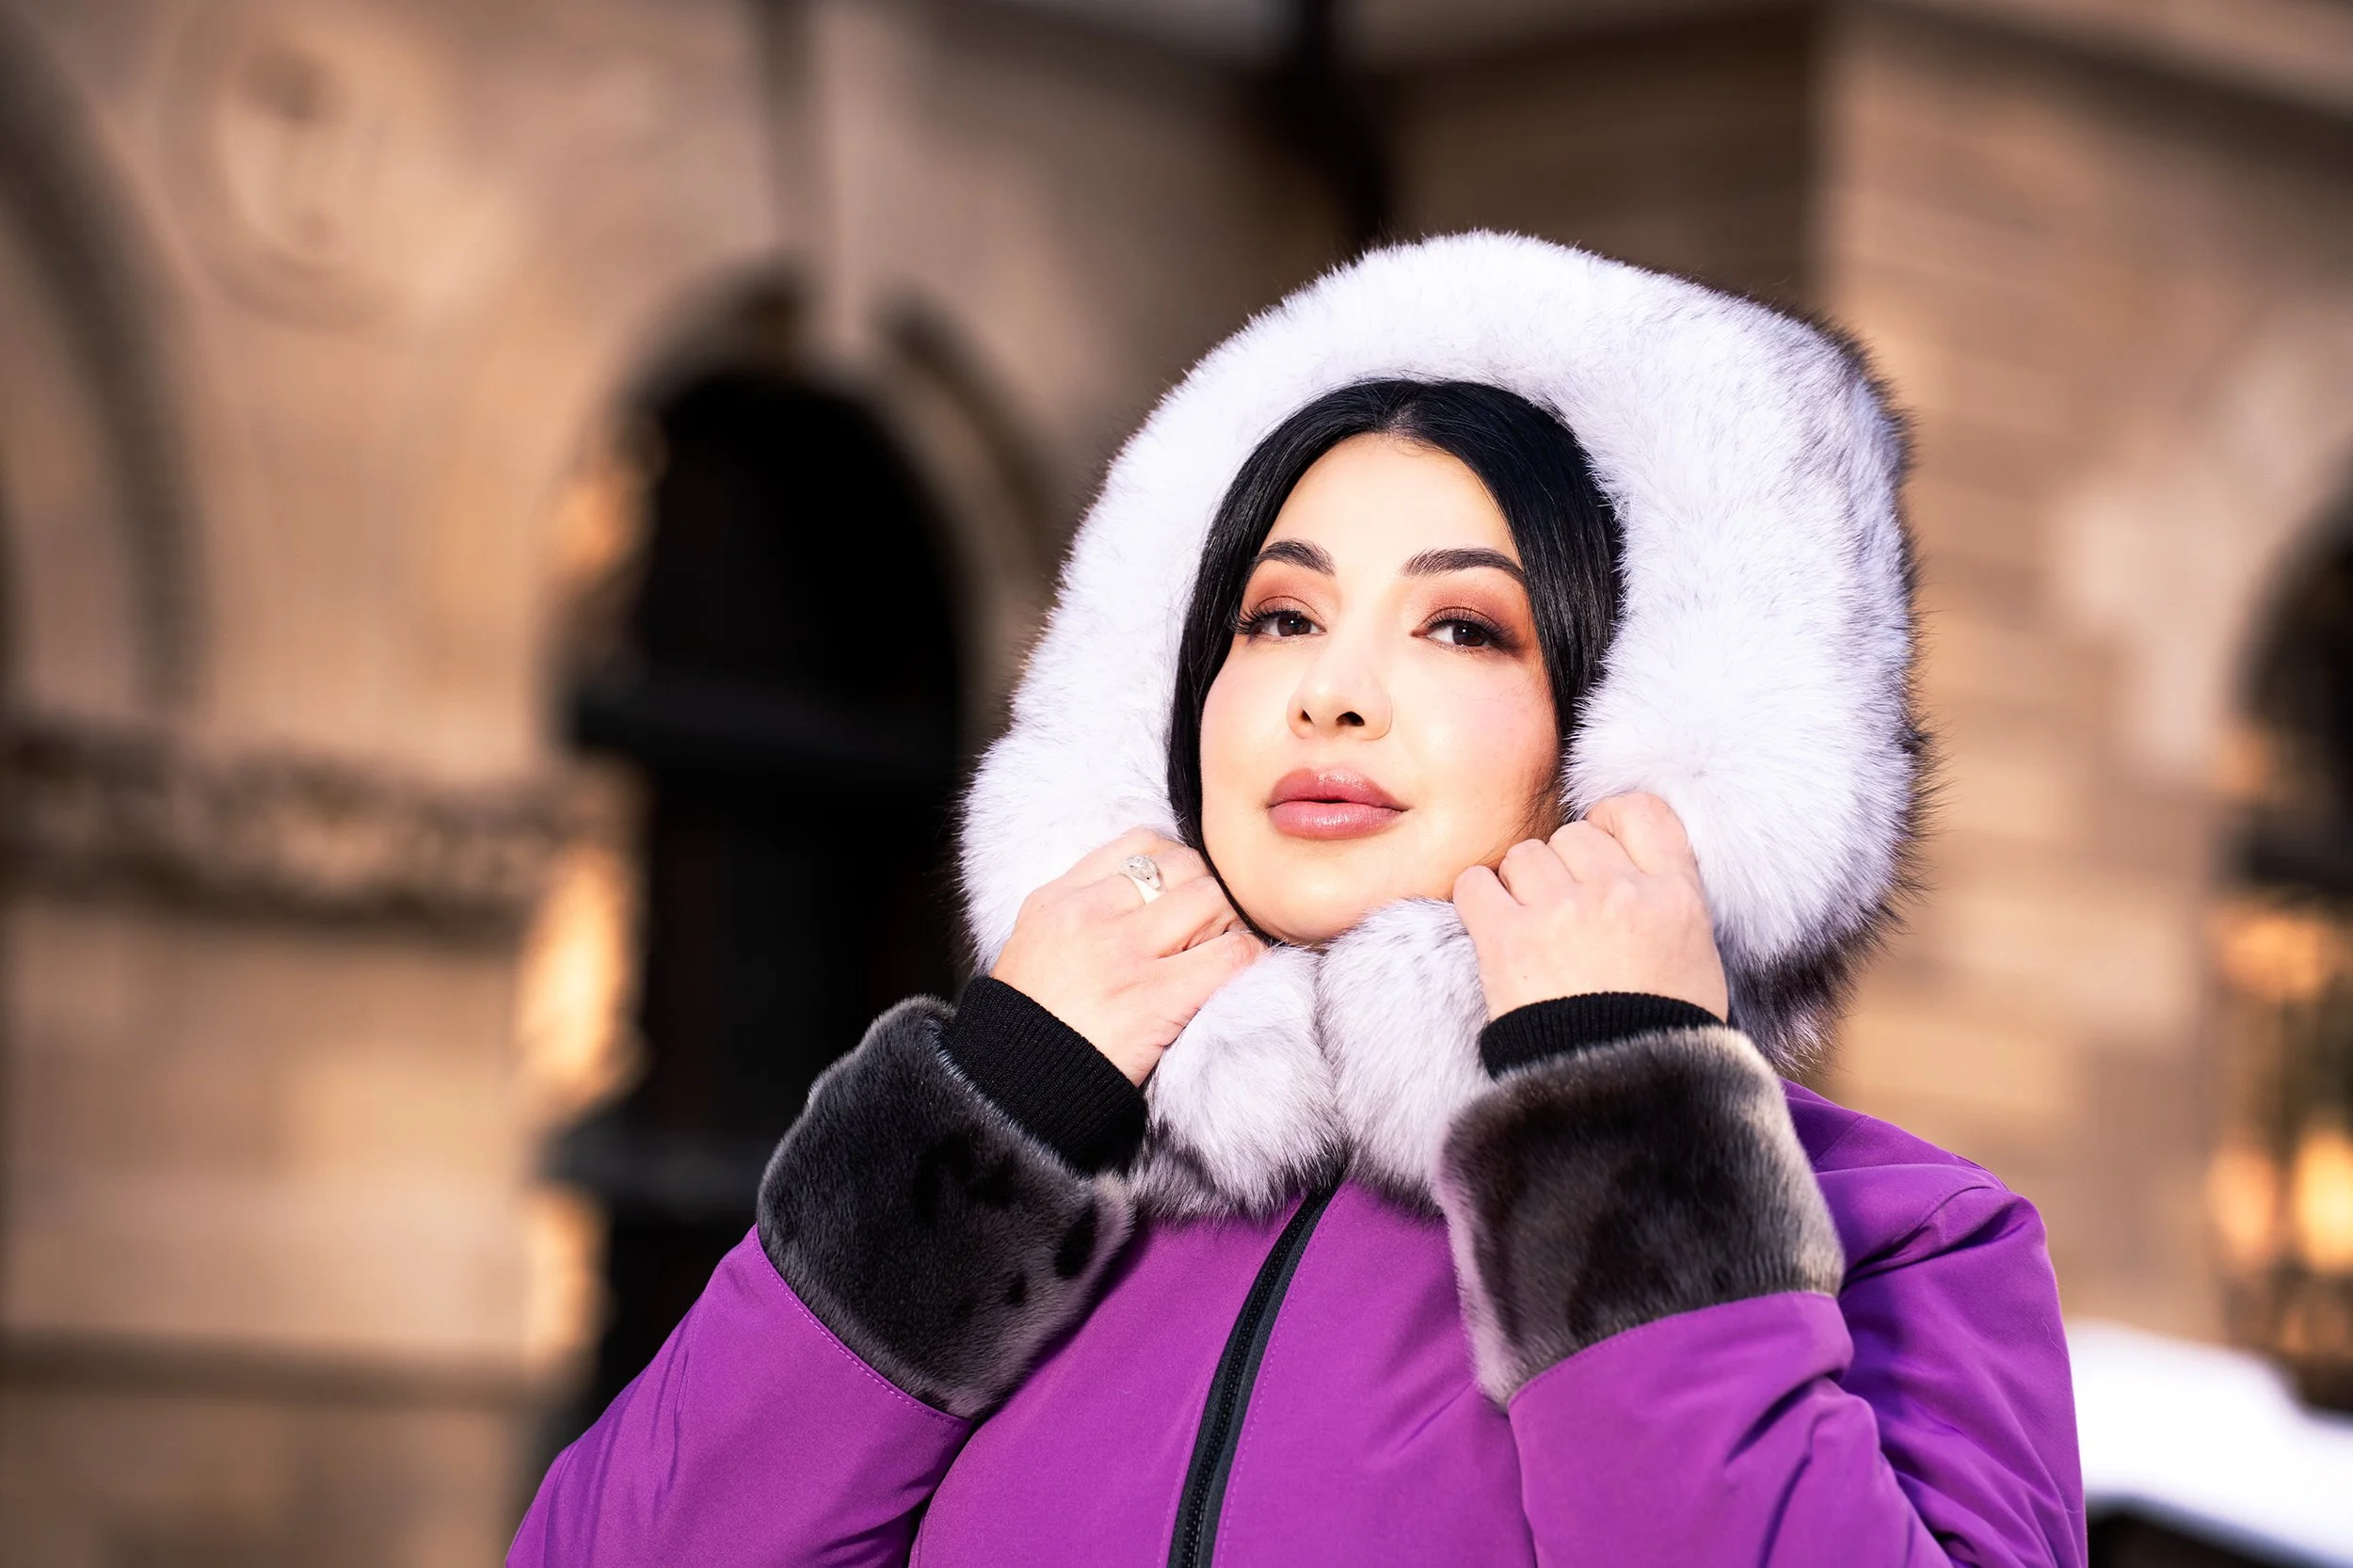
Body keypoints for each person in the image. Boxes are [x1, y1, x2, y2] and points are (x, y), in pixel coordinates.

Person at [511, 232, 2086, 1566]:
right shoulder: (1036, 1206)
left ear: (1631, 719)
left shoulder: (1904, 1240)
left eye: (1462, 628)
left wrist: (1630, 1138)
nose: (1331, 692)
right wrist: (987, 1115)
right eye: (1277, 616)